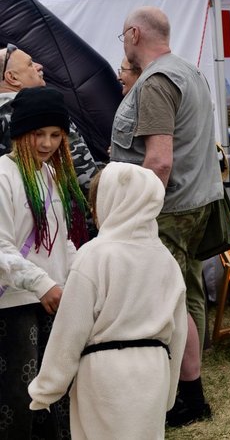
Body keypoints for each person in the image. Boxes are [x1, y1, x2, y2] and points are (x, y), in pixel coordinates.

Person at [110, 6, 223, 427]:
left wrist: (129, 214)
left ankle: (187, 396)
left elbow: (158, 162)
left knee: (166, 303)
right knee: (187, 293)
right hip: (193, 204)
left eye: (123, 37)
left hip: (167, 210)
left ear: (134, 34)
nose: (123, 45)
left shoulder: (156, 81)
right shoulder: (188, 72)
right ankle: (189, 392)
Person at [28, 163, 188, 439]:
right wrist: (170, 390)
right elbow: (179, 331)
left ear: (108, 203)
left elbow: (70, 329)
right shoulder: (166, 260)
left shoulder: (94, 256)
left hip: (106, 375)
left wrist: (47, 388)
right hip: (154, 370)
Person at [0, 87, 90, 439]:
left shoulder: (50, 174)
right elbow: (2, 245)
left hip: (53, 300)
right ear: (20, 132)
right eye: (39, 133)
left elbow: (62, 240)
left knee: (55, 392)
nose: (47, 143)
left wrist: (83, 273)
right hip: (13, 306)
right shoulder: (3, 176)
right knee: (17, 398)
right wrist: (42, 284)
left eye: (56, 135)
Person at [0, 44, 100, 196]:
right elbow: (81, 173)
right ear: (12, 78)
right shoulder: (40, 110)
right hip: (56, 210)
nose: (39, 66)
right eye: (30, 64)